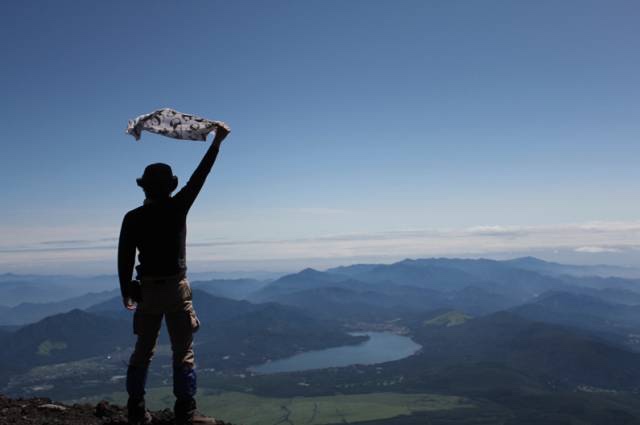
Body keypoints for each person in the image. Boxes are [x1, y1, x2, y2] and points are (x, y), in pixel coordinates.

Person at [118, 124, 230, 425]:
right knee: (183, 351)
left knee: (142, 351)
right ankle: (186, 412)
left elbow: (125, 257)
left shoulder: (133, 218)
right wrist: (217, 142)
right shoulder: (178, 207)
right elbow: (200, 176)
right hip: (176, 290)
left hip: (147, 291)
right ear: (171, 186)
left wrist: (126, 289)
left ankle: (136, 410)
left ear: (143, 187)